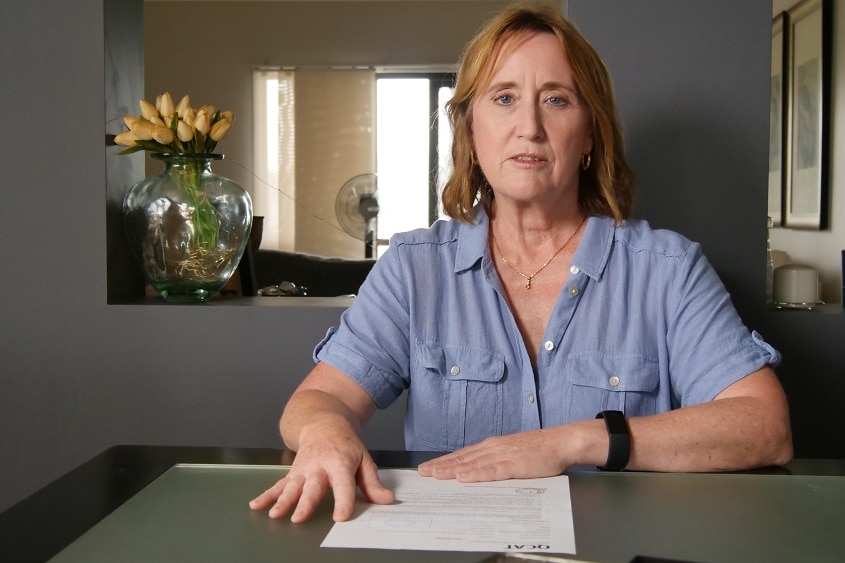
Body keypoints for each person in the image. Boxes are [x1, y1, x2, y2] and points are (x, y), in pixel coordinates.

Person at [250, 1, 792, 523]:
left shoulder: (669, 270)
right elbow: (317, 399)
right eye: (503, 98)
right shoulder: (414, 268)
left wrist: (576, 440)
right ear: (470, 130)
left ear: (589, 133)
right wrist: (327, 434)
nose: (528, 126)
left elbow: (765, 426)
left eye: (556, 99)